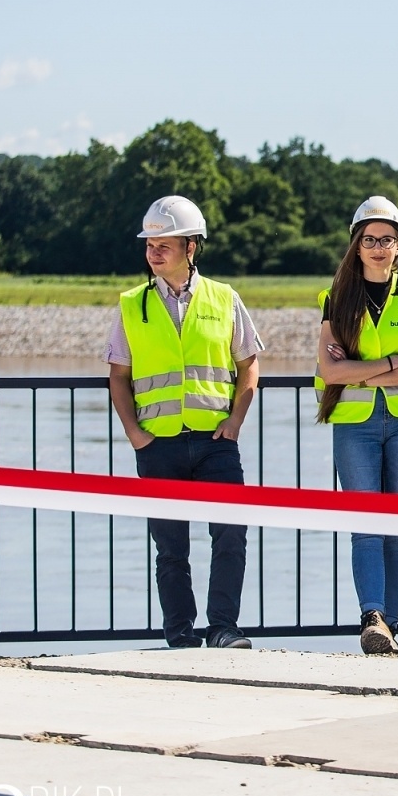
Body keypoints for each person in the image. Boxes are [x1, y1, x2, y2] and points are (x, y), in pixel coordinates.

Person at [106, 196, 262, 650]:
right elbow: (118, 375)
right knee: (171, 548)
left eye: (164, 244)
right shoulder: (132, 305)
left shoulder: (224, 297)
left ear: (191, 246)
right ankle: (179, 633)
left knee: (230, 534)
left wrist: (234, 423)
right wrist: (136, 435)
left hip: (216, 441)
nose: (153, 252)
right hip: (159, 445)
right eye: (149, 244)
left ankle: (223, 628)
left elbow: (248, 365)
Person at [316, 196, 398, 656]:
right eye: (370, 239)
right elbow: (330, 374)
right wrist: (389, 362)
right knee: (366, 522)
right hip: (354, 423)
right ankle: (372, 615)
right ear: (356, 245)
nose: (379, 247)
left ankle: (390, 625)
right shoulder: (334, 297)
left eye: (388, 239)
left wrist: (361, 369)